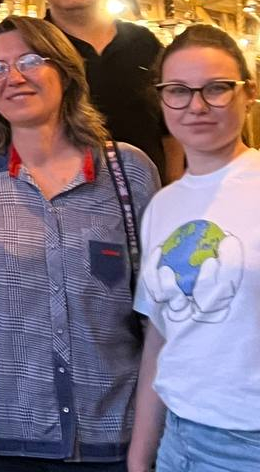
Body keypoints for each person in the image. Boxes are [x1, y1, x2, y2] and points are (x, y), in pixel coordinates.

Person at [0, 16, 159, 471]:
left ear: (65, 72)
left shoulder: (128, 172)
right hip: (2, 440)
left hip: (114, 439)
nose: (14, 77)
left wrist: (147, 445)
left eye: (29, 61)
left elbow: (156, 319)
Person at [128, 25, 260, 472]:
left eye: (217, 88)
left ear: (248, 93)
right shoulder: (163, 205)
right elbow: (161, 339)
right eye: (178, 91)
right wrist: (140, 456)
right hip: (177, 438)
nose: (197, 106)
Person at [34, 0, 179, 181]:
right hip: (64, 199)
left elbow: (171, 129)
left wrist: (173, 190)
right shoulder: (30, 48)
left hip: (149, 198)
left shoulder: (144, 43)